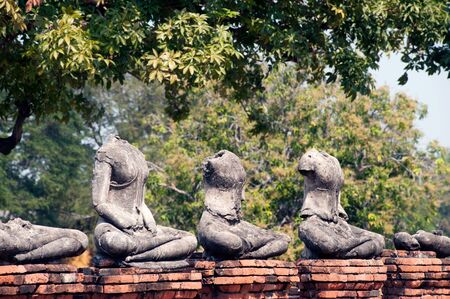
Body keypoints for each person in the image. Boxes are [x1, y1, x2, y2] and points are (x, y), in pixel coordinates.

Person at [92, 136, 197, 264]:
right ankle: (156, 249)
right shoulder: (105, 153)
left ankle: (141, 256)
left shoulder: (137, 154)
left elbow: (140, 202)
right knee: (116, 243)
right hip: (114, 228)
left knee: (190, 240)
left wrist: (150, 223)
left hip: (143, 230)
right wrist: (125, 222)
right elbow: (99, 202)